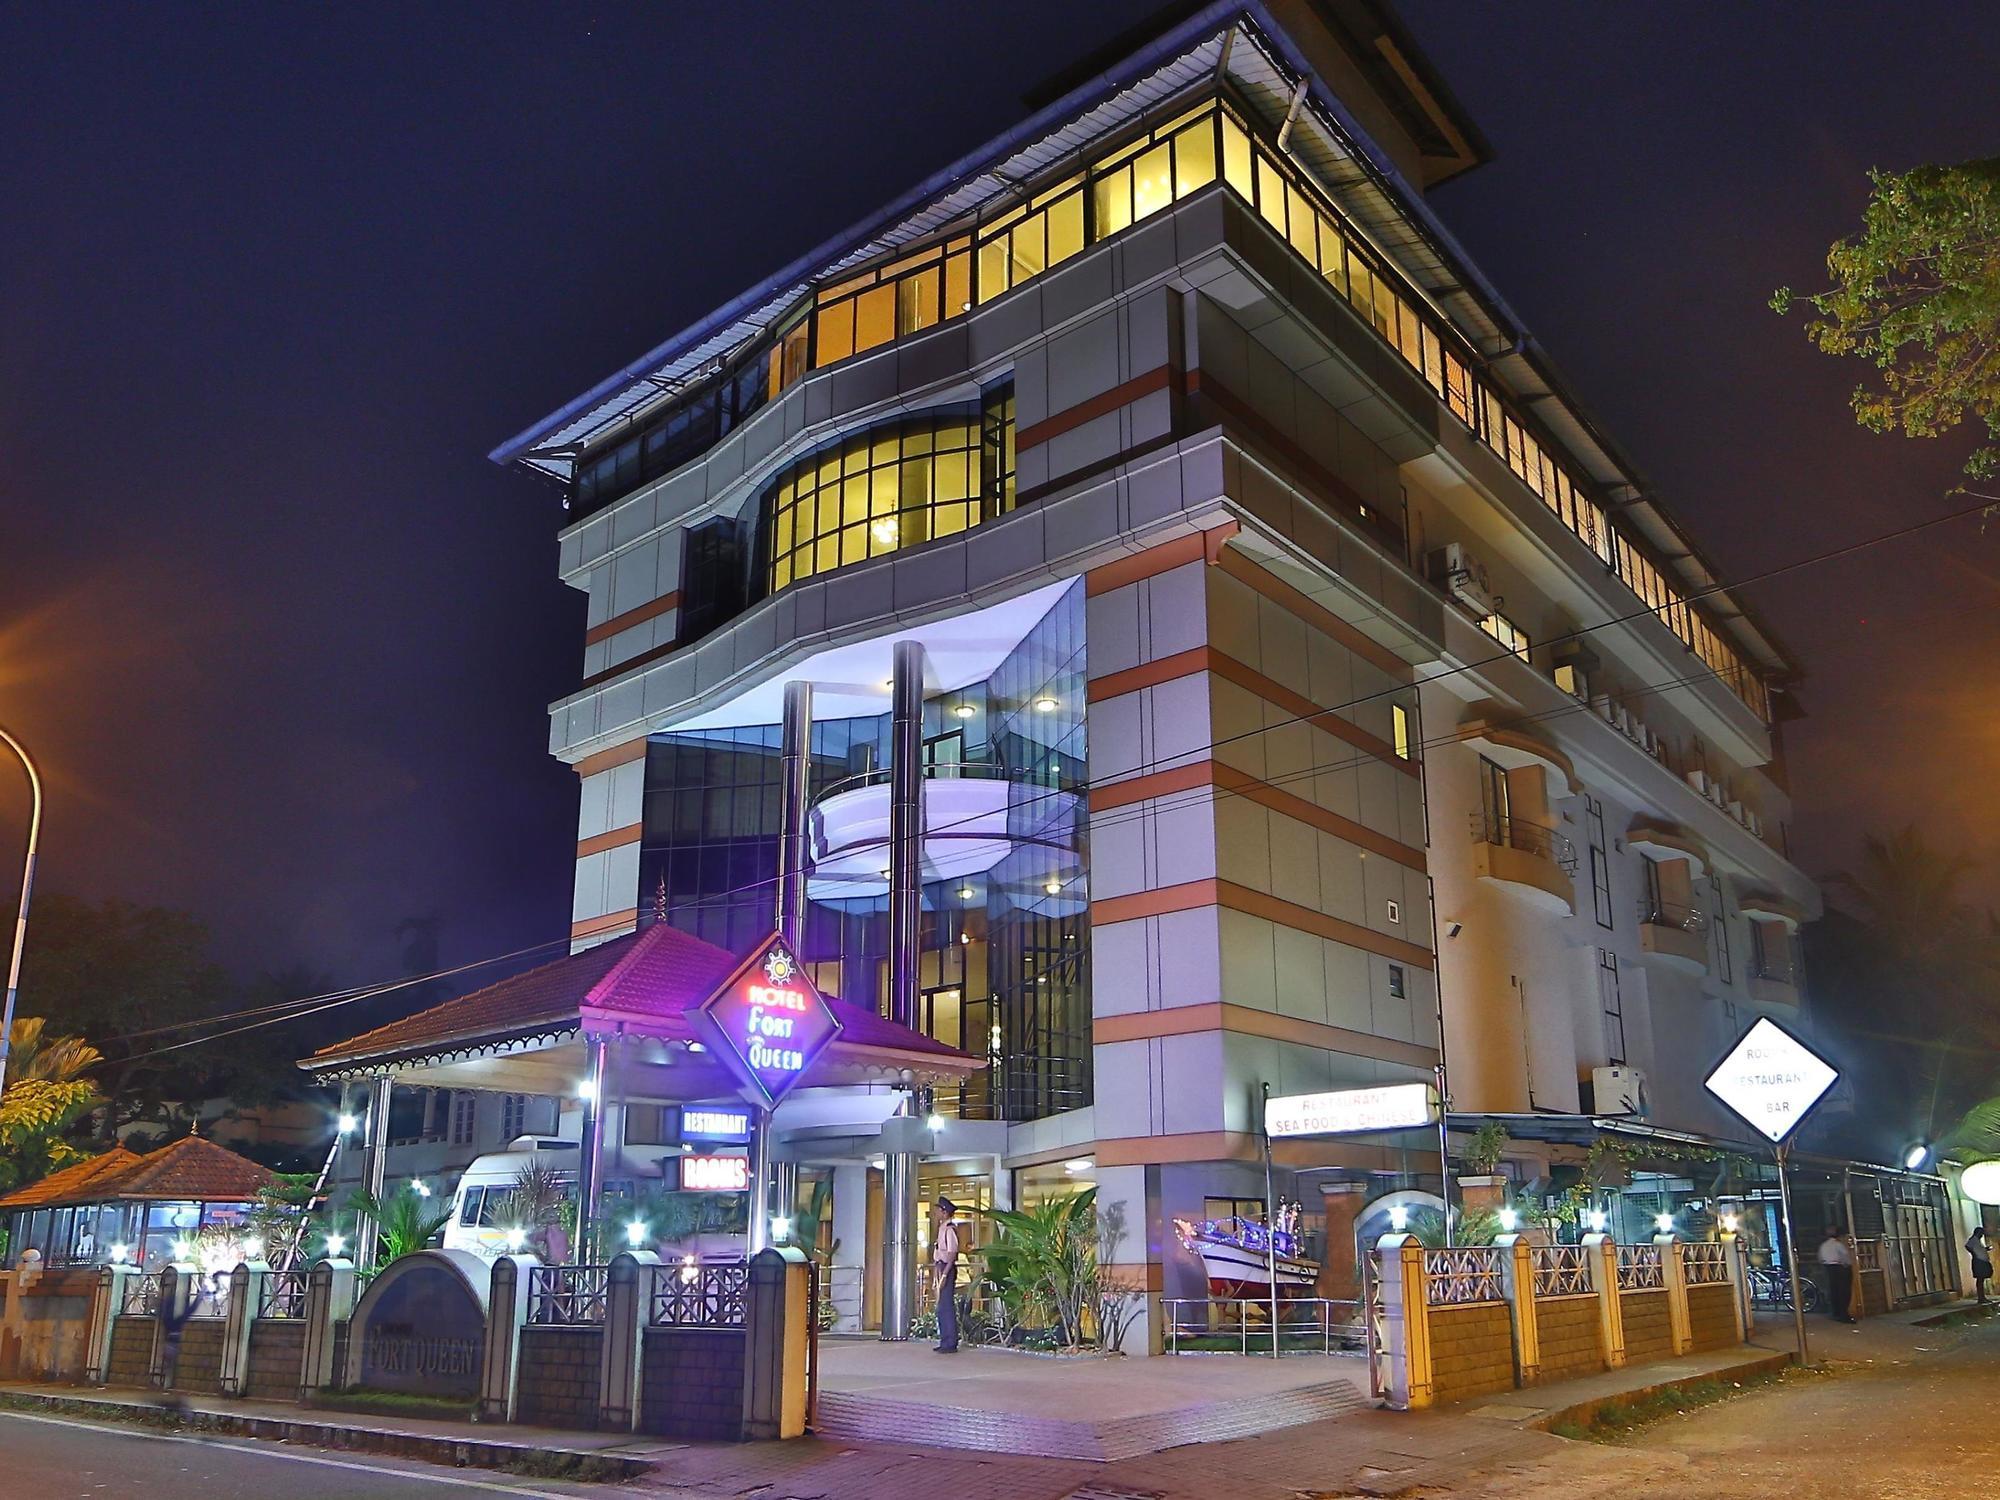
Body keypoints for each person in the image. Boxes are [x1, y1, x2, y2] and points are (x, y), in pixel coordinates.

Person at [931, 1196, 962, 1354]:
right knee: (941, 1307)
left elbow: (951, 1253)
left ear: (944, 1212)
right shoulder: (942, 1228)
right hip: (940, 1266)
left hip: (946, 1268)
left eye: (938, 1210)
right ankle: (945, 1339)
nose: (936, 1213)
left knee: (946, 1305)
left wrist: (944, 1275)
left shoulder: (949, 1230)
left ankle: (950, 1342)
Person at [1817, 1226, 1855, 1324]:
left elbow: (1820, 1258)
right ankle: (1844, 1314)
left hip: (1828, 1268)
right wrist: (1848, 1265)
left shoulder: (1823, 1246)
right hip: (1840, 1268)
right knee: (1844, 1292)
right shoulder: (1838, 1245)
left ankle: (1836, 1313)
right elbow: (1845, 1257)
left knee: (1833, 1291)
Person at [1967, 1226, 1993, 1304]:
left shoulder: (1977, 1241)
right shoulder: (1973, 1240)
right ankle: (1981, 1298)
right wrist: (1974, 1254)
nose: (1982, 1235)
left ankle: (1982, 1297)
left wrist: (1985, 1249)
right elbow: (1968, 1246)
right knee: (1980, 1279)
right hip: (1979, 1261)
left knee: (1982, 1279)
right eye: (1981, 1233)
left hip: (1982, 1260)